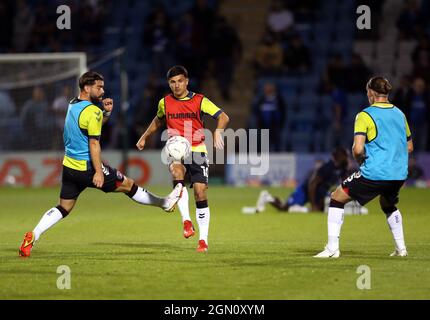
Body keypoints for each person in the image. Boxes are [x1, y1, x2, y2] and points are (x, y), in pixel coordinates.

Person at [19, 71, 182, 258]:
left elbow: (89, 127)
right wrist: (98, 172)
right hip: (88, 167)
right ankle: (164, 203)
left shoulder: (73, 104)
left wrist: (105, 113)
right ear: (87, 88)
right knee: (128, 185)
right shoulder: (92, 111)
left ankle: (33, 235)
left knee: (64, 207)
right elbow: (94, 143)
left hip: (70, 166)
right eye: (99, 87)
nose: (103, 90)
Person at [314, 76, 413, 258]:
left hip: (375, 172)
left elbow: (358, 148)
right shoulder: (400, 114)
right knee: (387, 203)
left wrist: (360, 159)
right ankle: (401, 249)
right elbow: (409, 147)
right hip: (398, 175)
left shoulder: (365, 115)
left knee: (337, 198)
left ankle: (332, 249)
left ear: (371, 93)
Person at [136, 66, 230, 252]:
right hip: (176, 150)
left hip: (197, 149)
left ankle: (203, 240)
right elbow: (158, 120)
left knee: (200, 192)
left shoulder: (200, 100)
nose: (177, 85)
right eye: (173, 82)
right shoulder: (165, 102)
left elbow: (223, 117)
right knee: (177, 174)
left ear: (187, 81)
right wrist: (144, 137)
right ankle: (186, 221)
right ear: (169, 84)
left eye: (180, 81)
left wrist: (218, 132)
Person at [256, 147, 349, 213]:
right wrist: (313, 204)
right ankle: (267, 197)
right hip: (306, 191)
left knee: (321, 211)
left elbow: (345, 182)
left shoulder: (342, 168)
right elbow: (312, 184)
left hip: (320, 193)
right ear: (339, 156)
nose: (347, 158)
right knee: (284, 208)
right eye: (345, 155)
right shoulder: (327, 168)